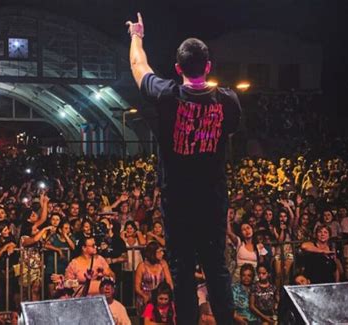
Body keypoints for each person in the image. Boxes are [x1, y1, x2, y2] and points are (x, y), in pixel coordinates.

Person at [126, 12, 241, 324]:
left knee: (183, 274)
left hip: (178, 204)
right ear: (208, 66)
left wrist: (137, 35)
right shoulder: (229, 101)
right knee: (217, 270)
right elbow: (226, 132)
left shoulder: (167, 95)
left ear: (178, 69)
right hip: (213, 201)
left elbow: (139, 66)